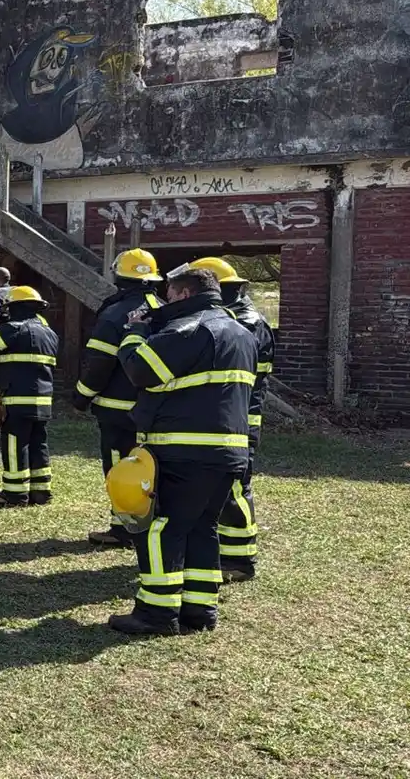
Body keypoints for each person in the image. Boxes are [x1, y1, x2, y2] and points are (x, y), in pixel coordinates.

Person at [108, 265, 256, 636]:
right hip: (228, 452)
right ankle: (199, 609)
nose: (164, 301)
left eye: (169, 294)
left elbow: (140, 370)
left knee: (161, 528)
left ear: (184, 294)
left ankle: (156, 614)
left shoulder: (190, 328)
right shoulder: (241, 332)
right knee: (202, 527)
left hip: (184, 450)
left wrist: (135, 332)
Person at [186, 257, 274, 582]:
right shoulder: (240, 319)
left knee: (236, 486)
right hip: (232, 415)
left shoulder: (245, 324)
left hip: (241, 418)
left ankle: (239, 559)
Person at [77, 248, 165, 546]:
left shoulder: (114, 314)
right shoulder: (165, 310)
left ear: (119, 276)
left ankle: (124, 528)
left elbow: (99, 363)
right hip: (157, 410)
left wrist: (81, 395)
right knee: (152, 467)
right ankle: (150, 521)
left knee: (120, 467)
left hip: (117, 412)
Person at [0, 285, 58, 506]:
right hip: (43, 401)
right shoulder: (50, 334)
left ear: (14, 308)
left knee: (14, 444)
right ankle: (41, 492)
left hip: (17, 400)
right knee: (39, 443)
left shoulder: (12, 329)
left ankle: (15, 494)